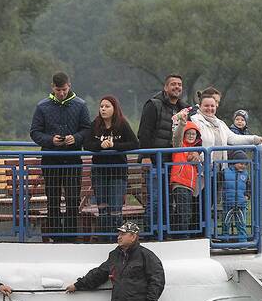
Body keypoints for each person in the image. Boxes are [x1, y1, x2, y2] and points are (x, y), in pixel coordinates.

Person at [66, 221, 165, 301]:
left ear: (133, 236)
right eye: (119, 234)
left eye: (123, 234)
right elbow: (100, 273)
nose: (119, 237)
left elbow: (157, 279)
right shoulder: (115, 255)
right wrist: (78, 285)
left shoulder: (146, 256)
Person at [29, 72, 91, 239]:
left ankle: (71, 236)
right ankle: (56, 236)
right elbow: (35, 132)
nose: (61, 93)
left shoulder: (81, 105)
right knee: (53, 199)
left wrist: (75, 138)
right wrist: (51, 140)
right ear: (52, 88)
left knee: (72, 199)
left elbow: (87, 129)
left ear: (69, 86)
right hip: (51, 160)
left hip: (72, 159)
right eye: (58, 90)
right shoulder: (42, 106)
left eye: (64, 89)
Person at [83, 95, 139, 234]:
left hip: (118, 172)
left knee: (115, 208)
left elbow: (134, 143)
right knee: (103, 208)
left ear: (114, 108)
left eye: (107, 106)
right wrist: (100, 145)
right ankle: (104, 237)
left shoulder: (122, 124)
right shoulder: (95, 124)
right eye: (101, 106)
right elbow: (87, 145)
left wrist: (115, 145)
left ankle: (117, 237)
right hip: (99, 172)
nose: (103, 109)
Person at [168, 119, 204, 233]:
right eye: (188, 133)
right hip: (180, 183)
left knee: (185, 212)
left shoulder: (196, 151)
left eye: (193, 134)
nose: (191, 136)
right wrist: (182, 125)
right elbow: (177, 136)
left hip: (190, 185)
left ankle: (181, 235)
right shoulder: (179, 146)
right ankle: (182, 236)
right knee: (184, 212)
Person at [137, 74, 184, 157]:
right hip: (156, 159)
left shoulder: (184, 108)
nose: (177, 87)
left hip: (176, 160)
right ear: (165, 88)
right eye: (173, 84)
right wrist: (145, 157)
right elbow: (144, 132)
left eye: (179, 85)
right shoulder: (153, 105)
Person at [221, 150, 251, 239]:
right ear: (234, 162)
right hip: (228, 203)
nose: (243, 166)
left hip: (241, 204)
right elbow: (218, 183)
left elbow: (249, 187)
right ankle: (225, 240)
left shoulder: (246, 174)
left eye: (245, 164)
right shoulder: (225, 172)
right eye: (240, 163)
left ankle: (243, 241)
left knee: (241, 224)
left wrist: (247, 195)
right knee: (226, 224)